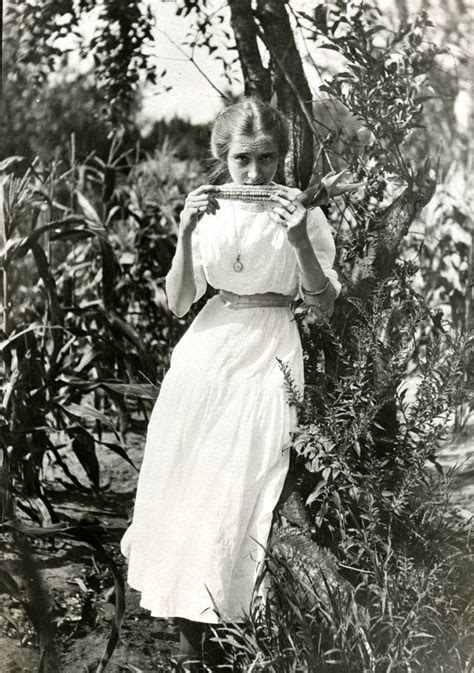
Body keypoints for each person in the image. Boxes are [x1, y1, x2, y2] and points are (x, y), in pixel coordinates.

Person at [120, 97, 341, 669]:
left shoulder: (303, 217)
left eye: (267, 159)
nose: (255, 173)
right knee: (187, 488)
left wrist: (296, 241)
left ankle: (234, 631)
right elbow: (176, 302)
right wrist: (184, 230)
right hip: (206, 350)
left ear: (281, 158)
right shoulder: (208, 211)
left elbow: (323, 308)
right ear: (223, 156)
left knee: (241, 486)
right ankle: (189, 645)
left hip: (269, 345)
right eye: (243, 159)